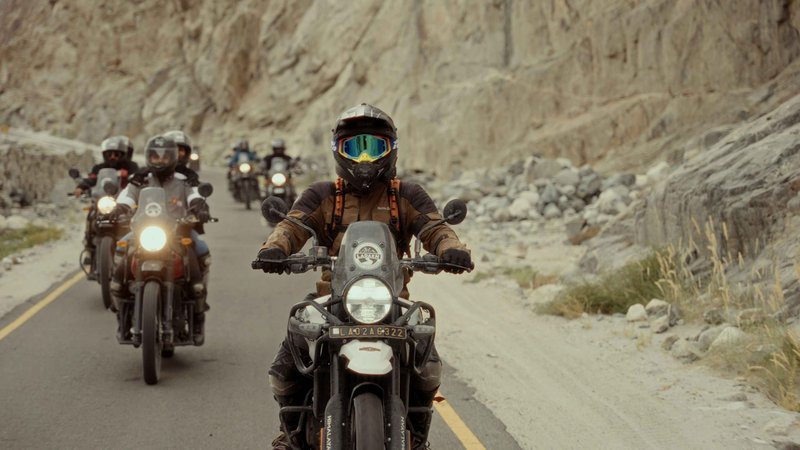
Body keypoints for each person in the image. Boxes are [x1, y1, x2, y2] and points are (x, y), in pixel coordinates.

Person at [255, 103, 472, 450]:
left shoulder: (407, 194)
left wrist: (451, 249)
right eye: (355, 147)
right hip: (333, 300)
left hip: (392, 301)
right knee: (285, 367)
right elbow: (291, 225)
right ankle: (292, 433)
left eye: (376, 146)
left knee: (428, 367)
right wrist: (275, 248)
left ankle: (416, 436)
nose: (366, 157)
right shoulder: (323, 194)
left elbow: (435, 227)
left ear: (392, 150)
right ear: (339, 152)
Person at [110, 135, 213, 344]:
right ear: (149, 157)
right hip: (144, 231)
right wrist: (119, 208)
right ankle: (120, 308)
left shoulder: (183, 181)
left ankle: (198, 313)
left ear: (173, 158)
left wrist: (200, 208)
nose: (160, 161)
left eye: (165, 157)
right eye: (155, 156)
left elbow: (194, 196)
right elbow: (127, 196)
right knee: (121, 252)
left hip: (178, 231)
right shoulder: (141, 178)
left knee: (200, 251)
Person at [73, 136, 140, 264]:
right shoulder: (99, 168)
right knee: (91, 214)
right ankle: (88, 247)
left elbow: (138, 178)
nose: (113, 157)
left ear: (123, 155)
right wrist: (81, 187)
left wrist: (134, 179)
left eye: (116, 154)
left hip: (122, 202)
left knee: (135, 219)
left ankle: (136, 248)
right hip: (104, 201)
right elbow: (91, 179)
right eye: (109, 154)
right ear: (104, 155)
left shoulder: (131, 166)